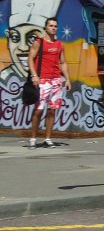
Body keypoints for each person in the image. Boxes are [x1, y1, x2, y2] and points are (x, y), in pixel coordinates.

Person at [26, 17, 71, 149]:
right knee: (38, 111)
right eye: (51, 25)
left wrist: (67, 79)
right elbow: (30, 59)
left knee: (52, 111)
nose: (53, 28)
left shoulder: (59, 45)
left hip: (56, 80)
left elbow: (63, 62)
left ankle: (48, 138)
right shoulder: (39, 42)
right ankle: (33, 139)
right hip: (42, 80)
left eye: (55, 26)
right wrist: (34, 76)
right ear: (46, 27)